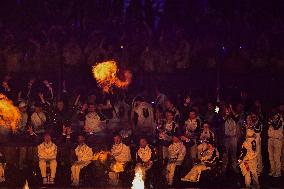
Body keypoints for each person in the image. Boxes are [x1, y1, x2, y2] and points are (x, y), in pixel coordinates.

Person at [221, 105, 240, 172]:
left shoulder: (234, 118)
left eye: (229, 110)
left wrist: (231, 110)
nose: (228, 112)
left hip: (233, 138)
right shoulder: (224, 118)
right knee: (225, 154)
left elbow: (237, 118)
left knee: (233, 154)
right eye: (227, 110)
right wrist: (226, 115)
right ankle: (224, 169)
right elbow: (222, 120)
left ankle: (234, 168)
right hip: (226, 138)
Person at [267, 111, 283, 177]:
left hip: (277, 140)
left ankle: (278, 172)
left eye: (276, 115)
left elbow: (276, 126)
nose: (274, 116)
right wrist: (271, 121)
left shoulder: (280, 120)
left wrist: (272, 121)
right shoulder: (271, 120)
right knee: (271, 157)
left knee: (277, 157)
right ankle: (273, 170)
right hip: (270, 139)